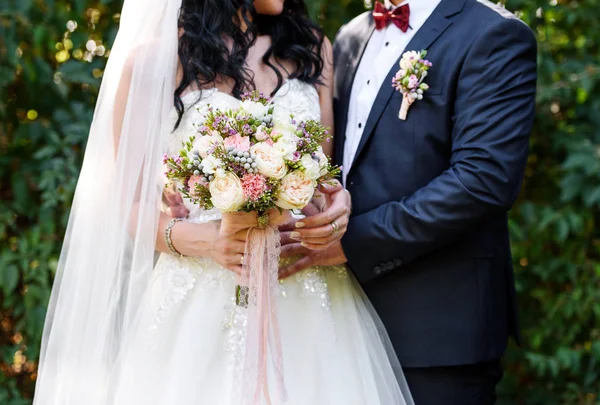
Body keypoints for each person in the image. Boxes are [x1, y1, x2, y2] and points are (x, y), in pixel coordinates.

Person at [32, 1, 414, 405]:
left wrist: (336, 208)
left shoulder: (311, 47)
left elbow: (320, 178)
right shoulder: (154, 61)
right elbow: (127, 205)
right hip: (199, 299)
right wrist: (205, 240)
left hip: (307, 294)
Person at [282, 0, 537, 404]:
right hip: (339, 321)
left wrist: (350, 243)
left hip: (436, 329)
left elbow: (482, 181)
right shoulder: (350, 36)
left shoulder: (493, 33)